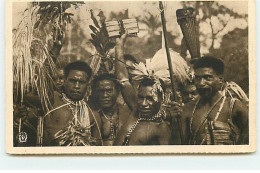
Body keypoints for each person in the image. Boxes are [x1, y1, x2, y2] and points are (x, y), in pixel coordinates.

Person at [170, 56, 249, 145]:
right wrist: (175, 122)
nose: (201, 83)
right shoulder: (187, 109)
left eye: (207, 78)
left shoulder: (234, 107)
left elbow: (250, 140)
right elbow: (178, 146)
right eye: (197, 78)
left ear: (220, 79)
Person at [44, 61, 102, 146]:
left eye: (81, 82)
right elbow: (42, 79)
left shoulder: (93, 115)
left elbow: (98, 149)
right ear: (64, 81)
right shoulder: (52, 101)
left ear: (88, 84)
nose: (77, 86)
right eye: (72, 81)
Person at [90, 73, 131, 146]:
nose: (105, 95)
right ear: (95, 92)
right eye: (101, 91)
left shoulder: (128, 112)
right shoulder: (91, 115)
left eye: (109, 91)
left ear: (117, 91)